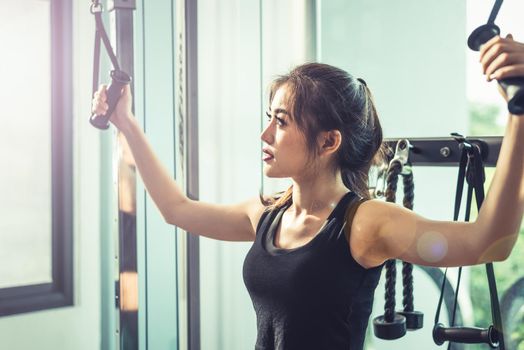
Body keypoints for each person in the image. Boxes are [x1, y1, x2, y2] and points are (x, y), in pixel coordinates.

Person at [92, 34, 524, 350]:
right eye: (270, 118)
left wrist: (519, 114)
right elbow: (177, 209)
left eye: (281, 122)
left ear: (328, 141)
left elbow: (489, 242)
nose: (265, 134)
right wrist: (127, 123)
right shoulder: (268, 213)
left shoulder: (365, 223)